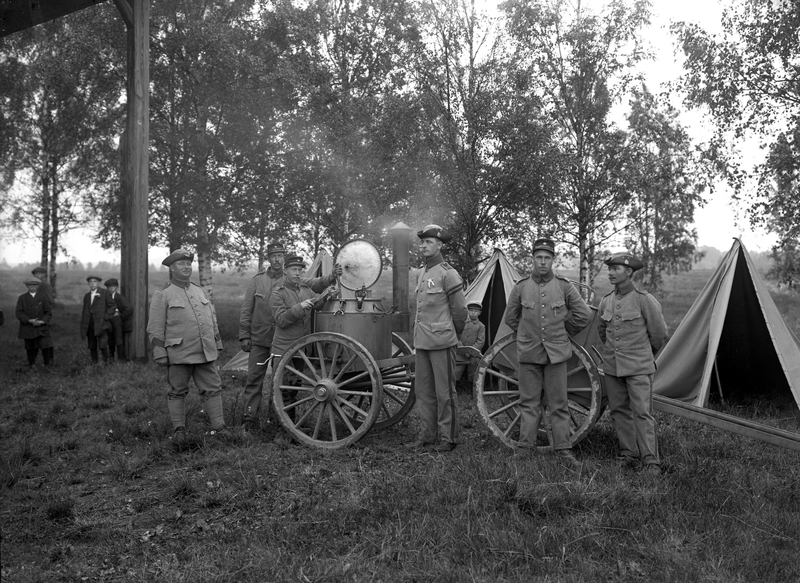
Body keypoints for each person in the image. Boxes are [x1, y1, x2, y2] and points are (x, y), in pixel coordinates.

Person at [503, 237, 592, 465]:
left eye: (547, 258)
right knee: (528, 402)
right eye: (538, 257)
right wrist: (527, 334)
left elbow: (584, 314)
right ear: (532, 259)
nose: (542, 262)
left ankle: (563, 449)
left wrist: (564, 331)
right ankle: (525, 447)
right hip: (529, 354)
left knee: (559, 403)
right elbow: (511, 318)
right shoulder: (521, 287)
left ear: (553, 260)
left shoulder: (564, 286)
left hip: (556, 355)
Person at [240, 244, 341, 432]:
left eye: (280, 256)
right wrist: (244, 335)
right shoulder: (259, 282)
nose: (277, 259)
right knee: (255, 380)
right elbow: (248, 309)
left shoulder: (300, 283)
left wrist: (331, 284)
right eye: (274, 256)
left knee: (286, 385)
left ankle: (277, 421)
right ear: (270, 259)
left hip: (292, 344)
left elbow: (317, 286)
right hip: (262, 339)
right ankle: (249, 419)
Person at [598, 252, 668, 475]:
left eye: (615, 269)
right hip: (612, 367)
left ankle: (651, 460)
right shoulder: (606, 300)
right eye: (609, 269)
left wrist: (643, 354)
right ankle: (628, 454)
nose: (610, 273)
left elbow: (658, 334)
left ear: (628, 272)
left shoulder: (644, 299)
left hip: (638, 367)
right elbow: (603, 331)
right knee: (619, 411)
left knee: (642, 413)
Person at [147, 249, 227, 442]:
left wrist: (217, 343)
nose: (185, 267)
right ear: (172, 269)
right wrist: (160, 353)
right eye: (180, 264)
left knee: (213, 388)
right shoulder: (163, 294)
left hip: (205, 352)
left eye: (187, 264)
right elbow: (155, 328)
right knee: (177, 391)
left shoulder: (199, 291)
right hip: (178, 353)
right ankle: (179, 430)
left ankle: (220, 427)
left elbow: (211, 320)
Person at [404, 225, 468, 453]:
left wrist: (454, 334)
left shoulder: (448, 273)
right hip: (422, 342)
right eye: (422, 242)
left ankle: (448, 438)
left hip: (442, 342)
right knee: (423, 391)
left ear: (440, 245)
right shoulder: (422, 273)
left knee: (444, 392)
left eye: (428, 242)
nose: (423, 245)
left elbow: (460, 312)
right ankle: (427, 435)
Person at [16, 278, 53, 367]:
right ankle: (32, 364)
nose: (32, 287)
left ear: (37, 286)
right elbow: (19, 312)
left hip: (41, 326)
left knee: (44, 345)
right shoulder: (22, 298)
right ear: (27, 286)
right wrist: (29, 320)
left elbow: (48, 312)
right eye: (30, 285)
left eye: (34, 285)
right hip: (28, 326)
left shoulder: (43, 297)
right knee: (30, 346)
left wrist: (43, 321)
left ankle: (47, 364)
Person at [80, 275, 116, 364]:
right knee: (92, 345)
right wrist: (84, 322)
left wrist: (106, 317)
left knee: (103, 344)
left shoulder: (104, 293)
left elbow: (113, 306)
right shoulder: (87, 296)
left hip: (101, 323)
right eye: (90, 282)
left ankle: (107, 364)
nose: (92, 284)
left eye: (94, 281)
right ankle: (94, 364)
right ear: (88, 283)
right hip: (90, 323)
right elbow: (85, 310)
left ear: (98, 283)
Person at [455, 300, 486, 390]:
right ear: (467, 311)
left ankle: (472, 389)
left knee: (474, 371)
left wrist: (471, 351)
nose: (473, 313)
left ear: (479, 313)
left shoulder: (481, 326)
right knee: (456, 370)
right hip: (460, 353)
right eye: (471, 310)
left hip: (474, 354)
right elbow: (456, 337)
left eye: (476, 311)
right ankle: (456, 389)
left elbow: (481, 341)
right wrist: (463, 349)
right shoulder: (461, 323)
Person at [104, 278, 133, 361]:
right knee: (110, 338)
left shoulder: (119, 297)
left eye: (113, 286)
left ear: (116, 287)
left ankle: (121, 358)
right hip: (109, 320)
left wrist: (120, 317)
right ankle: (111, 358)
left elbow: (129, 309)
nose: (111, 288)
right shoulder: (105, 297)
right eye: (109, 287)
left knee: (118, 339)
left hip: (117, 319)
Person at [31, 266, 55, 364]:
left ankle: (50, 360)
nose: (37, 276)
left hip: (43, 315)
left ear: (44, 275)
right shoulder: (34, 286)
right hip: (34, 316)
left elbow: (49, 301)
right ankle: (32, 360)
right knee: (34, 338)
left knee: (45, 338)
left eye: (40, 274)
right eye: (35, 274)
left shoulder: (45, 286)